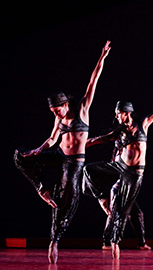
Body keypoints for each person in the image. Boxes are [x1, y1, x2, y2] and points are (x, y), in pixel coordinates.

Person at [13, 41, 111, 263]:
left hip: (74, 163)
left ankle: (54, 240)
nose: (56, 115)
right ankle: (41, 188)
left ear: (65, 104)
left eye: (57, 110)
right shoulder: (57, 119)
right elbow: (52, 139)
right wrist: (37, 151)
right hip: (58, 156)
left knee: (67, 199)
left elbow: (93, 81)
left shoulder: (82, 110)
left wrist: (102, 57)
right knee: (19, 155)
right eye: (53, 112)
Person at [82, 90, 153, 259]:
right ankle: (101, 198)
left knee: (124, 209)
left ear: (127, 113)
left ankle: (114, 241)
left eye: (120, 114)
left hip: (134, 174)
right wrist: (77, 146)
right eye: (116, 114)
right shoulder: (119, 132)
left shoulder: (144, 124)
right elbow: (96, 140)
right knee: (88, 170)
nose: (117, 117)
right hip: (120, 167)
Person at [83, 130, 151, 251]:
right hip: (118, 189)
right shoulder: (119, 157)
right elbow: (97, 140)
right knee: (113, 213)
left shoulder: (124, 153)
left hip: (126, 189)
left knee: (136, 213)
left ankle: (141, 243)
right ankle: (107, 242)